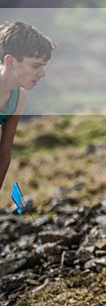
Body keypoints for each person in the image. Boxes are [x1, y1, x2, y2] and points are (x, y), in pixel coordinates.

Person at [0, 21, 55, 190]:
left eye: (43, 66)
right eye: (35, 65)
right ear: (11, 62)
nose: (42, 74)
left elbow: (4, 154)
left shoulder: (18, 98)